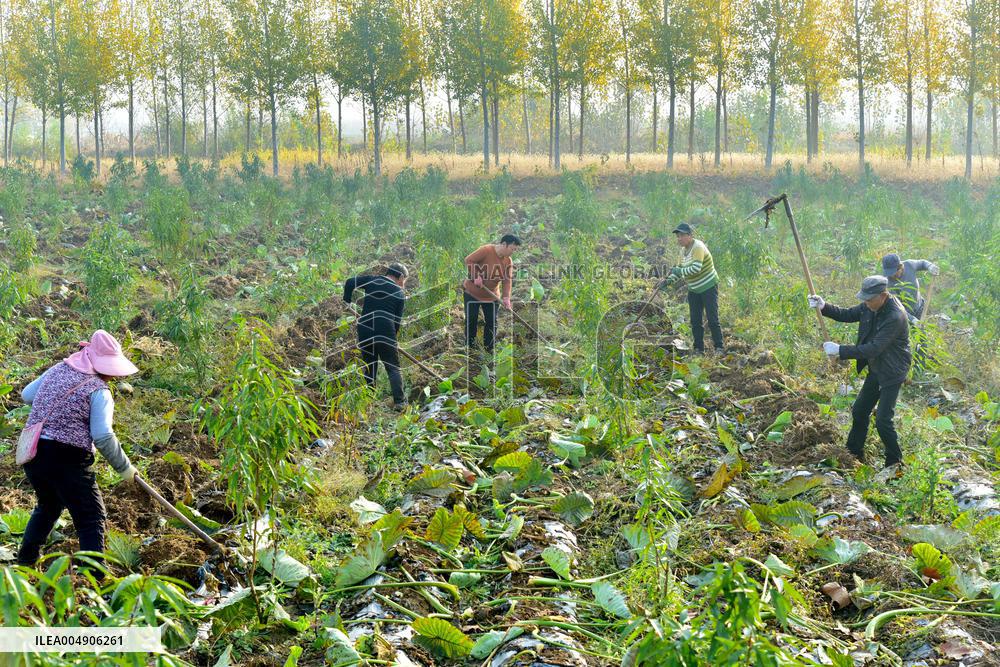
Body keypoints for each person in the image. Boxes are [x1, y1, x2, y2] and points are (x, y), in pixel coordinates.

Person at [17, 330, 140, 574]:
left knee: (49, 505)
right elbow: (103, 436)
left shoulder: (58, 370)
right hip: (67, 458)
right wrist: (125, 469)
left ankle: (25, 562)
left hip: (34, 454)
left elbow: (27, 395)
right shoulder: (99, 391)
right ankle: (93, 577)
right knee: (91, 516)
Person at [809, 276, 912, 472]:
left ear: (883, 295)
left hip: (892, 371)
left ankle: (896, 464)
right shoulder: (870, 306)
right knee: (859, 410)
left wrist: (841, 350)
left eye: (869, 299)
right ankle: (853, 454)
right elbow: (848, 314)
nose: (865, 302)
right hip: (877, 367)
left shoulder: (895, 316)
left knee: (883, 420)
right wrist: (824, 306)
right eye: (864, 298)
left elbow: (874, 348)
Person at [344, 263, 408, 408]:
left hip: (365, 328)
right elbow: (397, 321)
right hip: (385, 330)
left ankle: (369, 400)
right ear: (401, 277)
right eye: (404, 281)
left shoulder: (372, 280)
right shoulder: (399, 293)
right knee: (392, 367)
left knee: (370, 365)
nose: (403, 284)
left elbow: (349, 282)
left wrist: (347, 301)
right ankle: (400, 402)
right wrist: (393, 339)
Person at [661, 222, 724, 354]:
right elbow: (678, 270)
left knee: (712, 318)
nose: (679, 239)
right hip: (694, 289)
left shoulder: (698, 247)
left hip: (708, 286)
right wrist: (668, 281)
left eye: (682, 235)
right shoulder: (682, 251)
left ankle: (719, 347)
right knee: (695, 320)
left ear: (690, 235)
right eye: (678, 236)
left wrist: (678, 272)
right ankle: (698, 348)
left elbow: (695, 269)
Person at [463, 234, 521, 353]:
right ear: (504, 244)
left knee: (491, 321)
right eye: (512, 249)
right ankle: (470, 347)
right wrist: (476, 276)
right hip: (472, 293)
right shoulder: (486, 250)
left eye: (515, 250)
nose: (513, 252)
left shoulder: (508, 261)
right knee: (471, 319)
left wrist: (506, 298)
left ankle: (489, 349)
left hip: (491, 296)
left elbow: (507, 280)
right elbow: (469, 260)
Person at [881, 253, 940, 322]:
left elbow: (922, 263)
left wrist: (930, 266)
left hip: (920, 307)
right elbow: (896, 307)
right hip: (904, 316)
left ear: (900, 267)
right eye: (889, 273)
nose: (891, 275)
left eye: (893, 272)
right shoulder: (887, 284)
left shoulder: (909, 265)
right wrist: (912, 320)